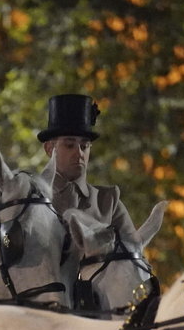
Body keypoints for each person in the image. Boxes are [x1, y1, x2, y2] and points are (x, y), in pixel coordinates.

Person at [37, 94, 137, 243]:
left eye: (84, 146)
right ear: (49, 149)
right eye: (69, 145)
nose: (79, 153)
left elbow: (132, 255)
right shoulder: (32, 199)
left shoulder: (107, 202)